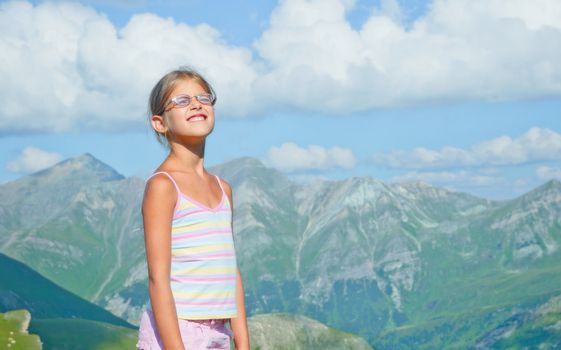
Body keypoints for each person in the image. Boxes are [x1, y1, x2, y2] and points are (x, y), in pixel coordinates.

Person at [137, 67, 250, 350]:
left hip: (220, 332)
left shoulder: (223, 189)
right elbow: (158, 280)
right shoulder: (164, 186)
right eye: (182, 101)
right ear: (160, 123)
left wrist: (243, 344)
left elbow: (230, 271)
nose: (196, 104)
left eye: (203, 97)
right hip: (179, 333)